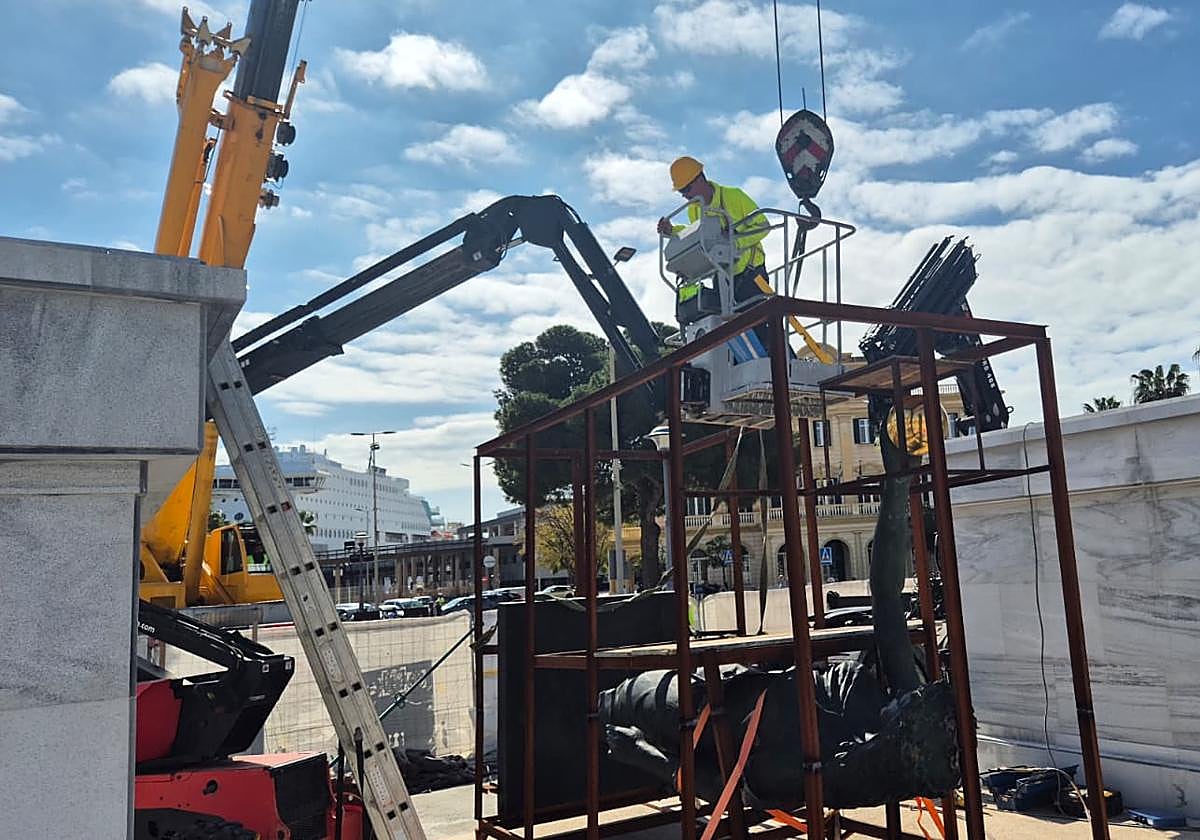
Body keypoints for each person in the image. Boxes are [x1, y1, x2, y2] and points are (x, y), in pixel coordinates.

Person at [657, 156, 771, 313]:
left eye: (685, 189)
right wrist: (672, 231)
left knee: (761, 330)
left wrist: (734, 240)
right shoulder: (694, 208)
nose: (684, 195)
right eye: (681, 192)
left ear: (699, 179)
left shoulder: (733, 196)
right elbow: (698, 234)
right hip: (722, 277)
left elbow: (763, 226)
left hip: (751, 275)